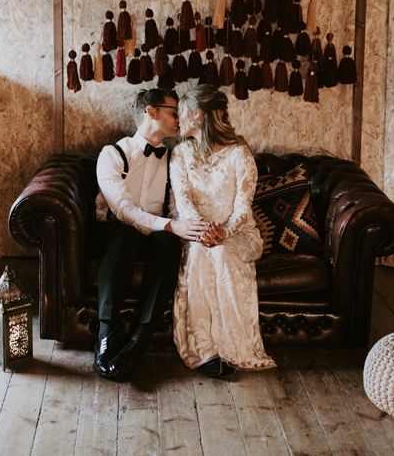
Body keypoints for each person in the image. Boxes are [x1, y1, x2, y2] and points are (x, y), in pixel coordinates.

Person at [93, 88, 208, 381]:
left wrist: (186, 225)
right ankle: (105, 337)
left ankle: (139, 340)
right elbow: (122, 209)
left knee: (170, 243)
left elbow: (175, 207)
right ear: (151, 112)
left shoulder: (173, 159)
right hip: (116, 233)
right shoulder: (112, 154)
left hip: (156, 234)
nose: (179, 120)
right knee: (126, 233)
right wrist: (169, 225)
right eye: (173, 112)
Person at [171, 84, 276, 378]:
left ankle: (233, 348)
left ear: (197, 116)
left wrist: (224, 233)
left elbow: (244, 208)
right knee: (203, 251)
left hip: (239, 234)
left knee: (220, 253)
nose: (177, 120)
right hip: (197, 232)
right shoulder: (180, 154)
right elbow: (183, 202)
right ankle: (205, 350)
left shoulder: (239, 154)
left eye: (181, 113)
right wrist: (202, 231)